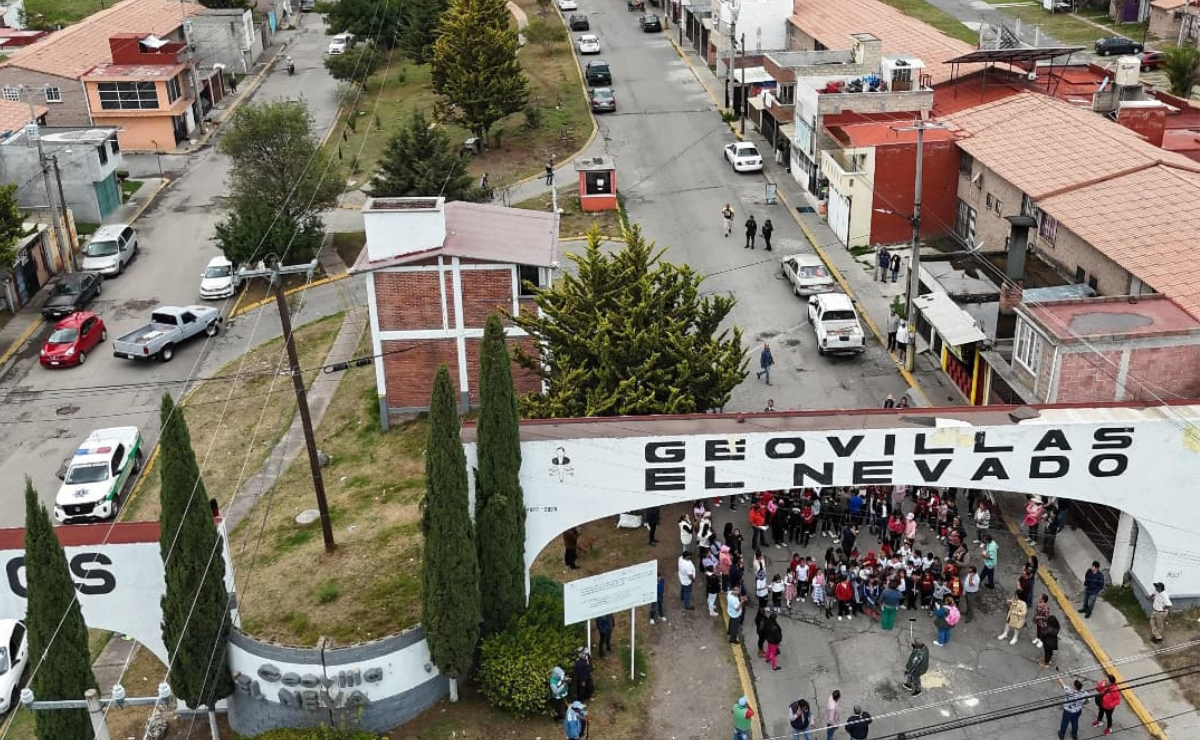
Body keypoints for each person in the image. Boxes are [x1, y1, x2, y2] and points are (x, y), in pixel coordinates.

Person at [1056, 674, 1087, 740]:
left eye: (1073, 684)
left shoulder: (1069, 691)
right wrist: (1082, 704)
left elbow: (1062, 683)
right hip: (1077, 711)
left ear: (1075, 687)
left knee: (1065, 722)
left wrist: (1058, 676)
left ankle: (1062, 734)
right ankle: (1074, 734)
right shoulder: (1084, 693)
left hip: (1068, 711)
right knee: (1075, 722)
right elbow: (1088, 700)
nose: (1072, 685)